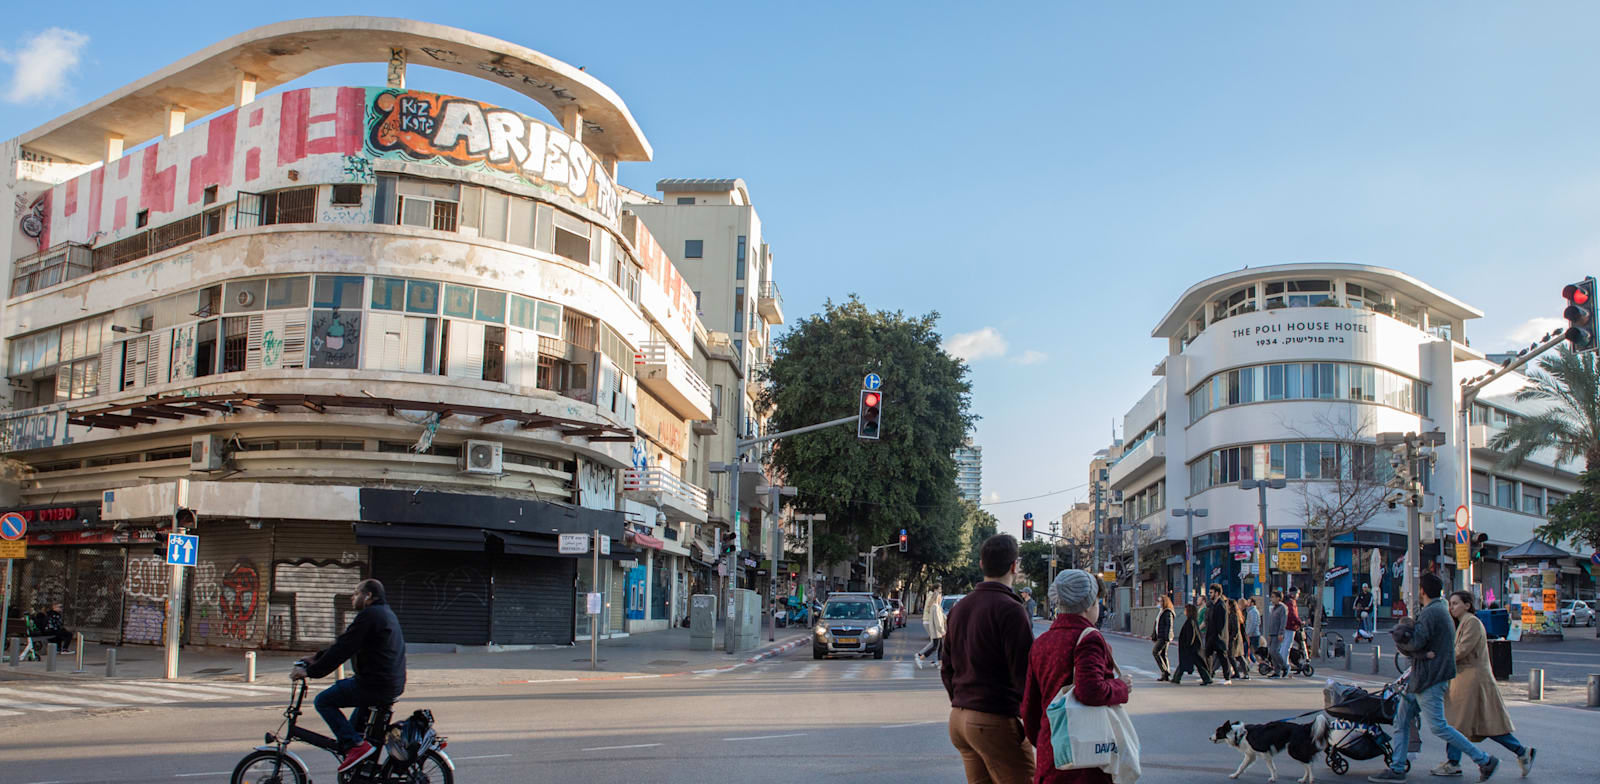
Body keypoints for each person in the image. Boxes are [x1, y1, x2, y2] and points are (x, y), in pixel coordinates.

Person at [1367, 573, 1497, 784]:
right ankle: (1397, 768)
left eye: (1419, 589)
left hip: (1429, 679)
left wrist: (1400, 640)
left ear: (1422, 591)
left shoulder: (1431, 613)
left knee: (1439, 726)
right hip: (1422, 679)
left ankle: (1484, 760)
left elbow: (1416, 642)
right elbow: (1423, 647)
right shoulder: (1441, 610)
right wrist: (1419, 651)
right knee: (1401, 721)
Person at [1021, 570, 1132, 784]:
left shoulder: (1042, 642)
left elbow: (1028, 707)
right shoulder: (1089, 639)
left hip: (1051, 751)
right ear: (1089, 605)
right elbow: (1090, 690)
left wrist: (1047, 740)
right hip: (1086, 758)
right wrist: (1121, 687)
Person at [942, 534, 1036, 783]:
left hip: (960, 718)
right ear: (1014, 566)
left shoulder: (959, 608)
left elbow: (947, 667)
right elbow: (1024, 675)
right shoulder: (1011, 610)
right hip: (992, 718)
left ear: (982, 564)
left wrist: (961, 699)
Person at [292, 579, 408, 773]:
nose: (353, 597)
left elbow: (343, 649)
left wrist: (311, 671)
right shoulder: (383, 613)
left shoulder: (370, 615)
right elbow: (346, 642)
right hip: (385, 683)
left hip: (375, 685)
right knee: (354, 732)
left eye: (356, 593)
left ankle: (356, 746)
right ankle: (361, 766)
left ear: (368, 596)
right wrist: (316, 657)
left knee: (323, 701)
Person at [1436, 591, 1534, 778]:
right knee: (1482, 725)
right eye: (1451, 604)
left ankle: (1453, 762)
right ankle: (1522, 751)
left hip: (1471, 681)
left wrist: (1440, 658)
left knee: (1458, 723)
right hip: (1467, 680)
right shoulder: (1464, 623)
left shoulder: (1471, 622)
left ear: (1467, 604)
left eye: (1455, 603)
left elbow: (1462, 650)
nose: (1452, 607)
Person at [1171, 603, 1212, 685]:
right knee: (1191, 663)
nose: (1184, 612)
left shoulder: (1190, 622)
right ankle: (1176, 678)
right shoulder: (1192, 620)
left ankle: (1207, 679)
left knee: (1189, 663)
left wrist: (1188, 645)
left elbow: (1191, 635)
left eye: (1185, 610)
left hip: (1192, 648)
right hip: (1194, 648)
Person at [1203, 584, 1234, 683]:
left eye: (1211, 592)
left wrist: (1218, 636)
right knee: (1207, 655)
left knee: (1222, 657)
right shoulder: (1212, 605)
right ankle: (1208, 676)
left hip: (1218, 637)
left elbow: (1221, 624)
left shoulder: (1221, 606)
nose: (1209, 594)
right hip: (1211, 635)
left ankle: (1227, 677)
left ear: (1217, 593)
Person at [916, 586, 947, 670]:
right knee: (935, 647)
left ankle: (940, 664)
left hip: (938, 631)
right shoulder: (935, 607)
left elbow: (943, 617)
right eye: (940, 597)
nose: (941, 599)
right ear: (937, 598)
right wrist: (942, 631)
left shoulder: (937, 607)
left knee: (940, 647)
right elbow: (937, 621)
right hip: (937, 631)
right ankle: (920, 658)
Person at [1282, 587, 1305, 675]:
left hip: (1287, 626)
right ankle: (1285, 665)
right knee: (1287, 647)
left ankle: (1283, 663)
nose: (1298, 595)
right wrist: (1300, 622)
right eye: (1298, 593)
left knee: (1284, 646)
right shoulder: (1291, 602)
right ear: (1293, 593)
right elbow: (1293, 615)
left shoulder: (1286, 601)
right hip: (1290, 626)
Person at [1265, 590, 1289, 677]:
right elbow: (1271, 621)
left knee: (1274, 651)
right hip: (1272, 633)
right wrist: (1269, 633)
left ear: (1278, 598)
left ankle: (1284, 666)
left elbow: (1283, 622)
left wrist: (1281, 633)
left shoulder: (1282, 608)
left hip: (1278, 633)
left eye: (1273, 597)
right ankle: (1277, 671)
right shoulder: (1274, 608)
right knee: (1271, 652)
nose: (1271, 599)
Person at [1152, 595, 1176, 681]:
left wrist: (1166, 638)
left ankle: (1165, 671)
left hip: (1164, 637)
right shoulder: (1161, 611)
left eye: (1161, 601)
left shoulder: (1167, 612)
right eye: (1158, 601)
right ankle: (1165, 675)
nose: (1159, 603)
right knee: (1163, 654)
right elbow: (1157, 625)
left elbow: (1169, 626)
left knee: (1155, 652)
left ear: (1165, 602)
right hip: (1160, 636)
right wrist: (1154, 635)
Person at [1227, 598, 1250, 680]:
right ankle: (1241, 672)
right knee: (1236, 656)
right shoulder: (1232, 614)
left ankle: (1243, 672)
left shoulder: (1234, 615)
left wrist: (1232, 638)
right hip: (1234, 637)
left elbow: (1236, 629)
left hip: (1235, 638)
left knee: (1234, 655)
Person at [1243, 597, 1262, 669]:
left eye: (1248, 601)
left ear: (1252, 603)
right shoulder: (1251, 611)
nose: (1247, 603)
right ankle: (1252, 663)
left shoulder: (1253, 611)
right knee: (1246, 649)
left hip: (1253, 635)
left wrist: (1248, 633)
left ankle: (1262, 663)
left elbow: (1253, 624)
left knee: (1256, 651)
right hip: (1251, 634)